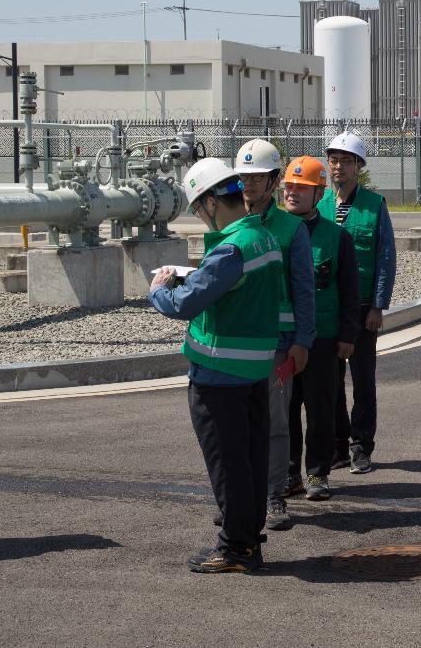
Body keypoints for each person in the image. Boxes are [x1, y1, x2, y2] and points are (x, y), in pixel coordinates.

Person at [149, 158, 283, 574]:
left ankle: (236, 547)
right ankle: (247, 537)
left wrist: (159, 290)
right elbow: (232, 291)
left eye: (197, 209)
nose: (199, 218)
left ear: (210, 201)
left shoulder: (229, 248)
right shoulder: (262, 237)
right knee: (250, 461)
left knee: (227, 465)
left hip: (218, 374)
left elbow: (188, 304)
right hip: (253, 371)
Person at [233, 139, 315, 531]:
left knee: (276, 422)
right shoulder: (229, 222)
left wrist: (303, 341)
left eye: (256, 177)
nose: (248, 184)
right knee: (237, 423)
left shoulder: (291, 229)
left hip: (278, 344)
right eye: (243, 176)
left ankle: (273, 495)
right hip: (235, 340)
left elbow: (303, 289)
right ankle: (238, 497)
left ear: (272, 181)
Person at [281, 156, 360, 502]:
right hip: (283, 340)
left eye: (303, 188)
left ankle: (317, 473)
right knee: (284, 411)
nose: (293, 193)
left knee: (320, 409)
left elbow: (349, 289)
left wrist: (347, 336)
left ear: (319, 194)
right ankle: (288, 473)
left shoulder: (336, 237)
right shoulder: (273, 233)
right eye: (290, 187)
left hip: (324, 339)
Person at [319, 131, 396, 475]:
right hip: (327, 308)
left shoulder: (374, 206)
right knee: (328, 381)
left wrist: (378, 305)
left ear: (359, 166)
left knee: (363, 379)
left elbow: (385, 258)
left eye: (346, 161)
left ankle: (361, 446)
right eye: (333, 160)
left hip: (363, 308)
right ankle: (337, 445)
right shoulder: (318, 204)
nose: (338, 167)